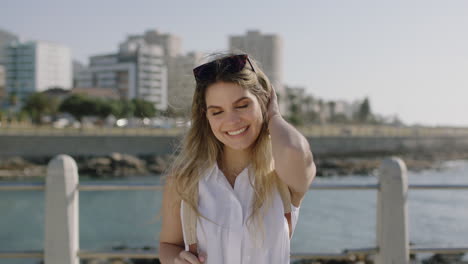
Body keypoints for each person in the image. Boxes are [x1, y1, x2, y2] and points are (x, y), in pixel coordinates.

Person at [159, 53, 316, 264]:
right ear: (206, 117)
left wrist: (275, 116)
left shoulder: (283, 174)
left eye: (242, 106)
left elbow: (294, 149)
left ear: (264, 102)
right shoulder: (184, 180)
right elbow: (168, 246)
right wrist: (177, 259)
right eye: (217, 112)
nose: (231, 121)